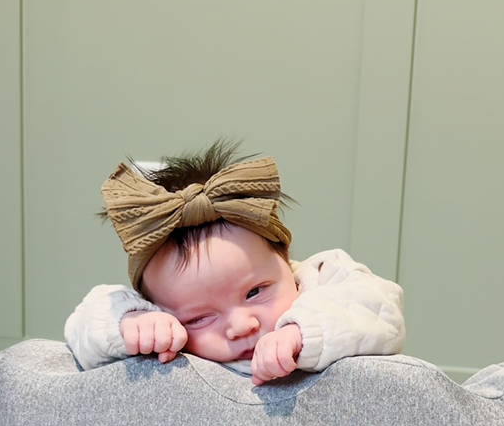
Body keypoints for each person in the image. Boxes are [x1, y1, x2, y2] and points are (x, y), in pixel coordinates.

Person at [65, 140, 405, 385]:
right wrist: (132, 324)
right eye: (198, 318)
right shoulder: (158, 321)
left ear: (284, 259)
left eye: (255, 292)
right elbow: (85, 327)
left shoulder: (323, 278)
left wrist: (304, 332)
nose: (242, 326)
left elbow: (381, 311)